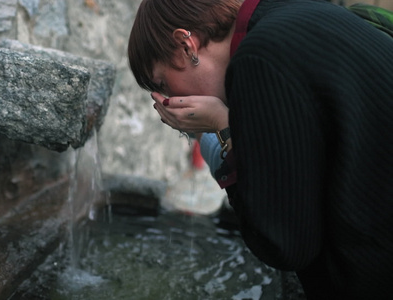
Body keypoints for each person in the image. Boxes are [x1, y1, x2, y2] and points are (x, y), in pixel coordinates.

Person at [127, 0, 393, 299]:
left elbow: (284, 244)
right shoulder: (288, 13)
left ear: (186, 45)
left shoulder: (258, 58)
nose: (171, 98)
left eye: (164, 83)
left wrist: (223, 131)